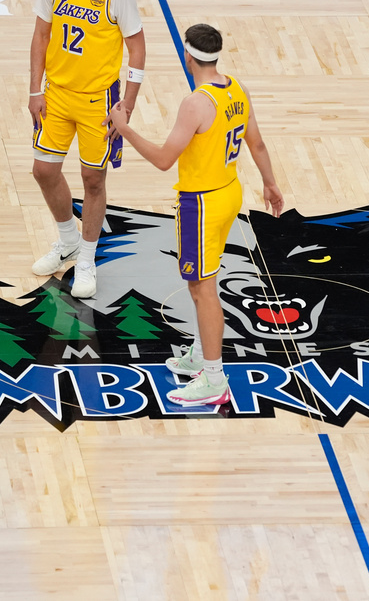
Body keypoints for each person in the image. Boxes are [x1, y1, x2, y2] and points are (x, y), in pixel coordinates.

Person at [107, 24, 284, 406]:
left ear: (188, 57)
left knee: (203, 290)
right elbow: (258, 142)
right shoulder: (236, 88)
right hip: (229, 193)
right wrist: (270, 184)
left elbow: (163, 159)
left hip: (201, 204)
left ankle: (214, 380)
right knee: (205, 283)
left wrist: (124, 128)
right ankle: (202, 355)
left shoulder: (196, 103)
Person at [28, 0, 146, 298]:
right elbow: (41, 36)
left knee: (93, 182)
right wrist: (35, 89)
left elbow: (138, 49)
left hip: (99, 101)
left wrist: (126, 105)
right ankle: (68, 240)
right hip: (57, 94)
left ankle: (87, 260)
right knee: (44, 171)